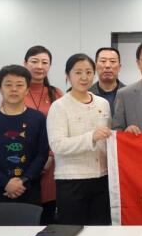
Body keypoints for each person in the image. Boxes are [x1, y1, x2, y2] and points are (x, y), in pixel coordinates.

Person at [47, 53, 113, 225]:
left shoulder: (103, 103)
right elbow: (57, 145)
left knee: (101, 230)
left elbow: (109, 138)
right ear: (67, 75)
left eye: (89, 72)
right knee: (73, 231)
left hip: (102, 177)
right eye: (78, 72)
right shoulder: (59, 106)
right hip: (71, 180)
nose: (84, 77)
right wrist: (91, 137)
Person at [0, 65, 49, 204]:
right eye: (8, 85)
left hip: (28, 189)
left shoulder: (38, 118)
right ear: (0, 89)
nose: (14, 89)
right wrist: (6, 183)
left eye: (19, 85)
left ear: (27, 89)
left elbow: (41, 154)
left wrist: (23, 180)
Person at [23, 45, 63, 223]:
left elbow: (63, 128)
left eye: (45, 62)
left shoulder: (56, 94)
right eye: (34, 61)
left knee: (47, 215)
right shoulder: (17, 91)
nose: (39, 66)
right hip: (23, 161)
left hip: (50, 164)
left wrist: (50, 156)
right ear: (25, 63)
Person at [89, 47, 125, 117]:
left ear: (119, 67)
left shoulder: (129, 94)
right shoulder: (87, 94)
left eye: (112, 61)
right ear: (95, 66)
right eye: (103, 61)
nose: (107, 66)